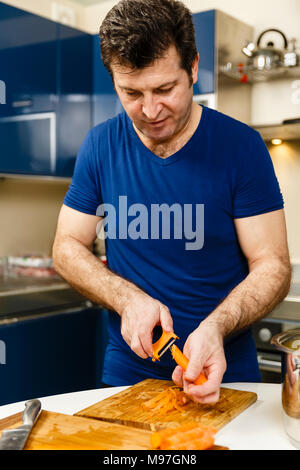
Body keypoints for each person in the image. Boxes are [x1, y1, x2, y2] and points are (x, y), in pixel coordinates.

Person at [52, 0, 291, 404]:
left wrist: (215, 327)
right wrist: (126, 298)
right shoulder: (99, 146)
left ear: (193, 68)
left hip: (225, 375)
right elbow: (66, 247)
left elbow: (274, 265)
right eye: (131, 92)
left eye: (164, 89)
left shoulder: (242, 148)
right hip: (128, 376)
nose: (149, 110)